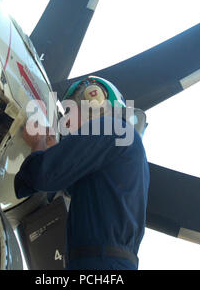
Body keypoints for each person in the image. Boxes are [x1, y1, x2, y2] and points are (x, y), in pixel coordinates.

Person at [14, 76, 150, 270]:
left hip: (100, 265)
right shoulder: (121, 142)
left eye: (69, 112)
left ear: (93, 102)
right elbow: (66, 186)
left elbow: (42, 176)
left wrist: (38, 145)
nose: (66, 124)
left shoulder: (113, 127)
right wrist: (52, 152)